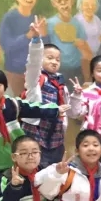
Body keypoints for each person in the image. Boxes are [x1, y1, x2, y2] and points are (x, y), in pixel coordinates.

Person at [21, 19, 82, 168]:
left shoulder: (61, 85)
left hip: (56, 139)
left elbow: (73, 113)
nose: (54, 62)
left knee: (54, 174)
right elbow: (33, 64)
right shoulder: (35, 79)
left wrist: (76, 95)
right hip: (36, 135)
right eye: (49, 58)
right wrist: (36, 41)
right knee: (36, 173)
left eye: (58, 60)